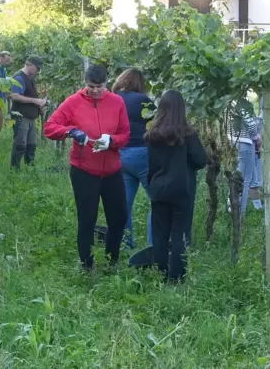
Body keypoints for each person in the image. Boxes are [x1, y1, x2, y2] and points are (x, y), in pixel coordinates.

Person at [44, 64, 130, 270]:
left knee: (118, 218)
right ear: (85, 83)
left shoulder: (117, 102)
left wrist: (111, 141)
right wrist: (71, 131)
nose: (95, 91)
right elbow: (50, 127)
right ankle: (86, 265)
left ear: (106, 83)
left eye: (99, 86)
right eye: (91, 86)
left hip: (111, 170)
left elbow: (126, 135)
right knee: (87, 219)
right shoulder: (73, 102)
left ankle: (112, 261)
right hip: (84, 171)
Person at [145, 90, 207, 282]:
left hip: (159, 188)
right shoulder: (187, 134)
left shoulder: (152, 134)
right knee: (179, 234)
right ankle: (178, 277)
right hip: (182, 189)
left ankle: (161, 272)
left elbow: (152, 164)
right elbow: (201, 160)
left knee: (160, 233)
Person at [113, 68, 154, 249]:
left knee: (124, 204)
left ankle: (127, 244)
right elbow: (156, 124)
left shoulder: (112, 99)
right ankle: (154, 245)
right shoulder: (143, 100)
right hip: (142, 153)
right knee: (157, 201)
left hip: (120, 154)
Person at [10, 56, 47, 169]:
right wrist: (35, 101)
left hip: (30, 116)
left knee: (32, 144)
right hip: (21, 116)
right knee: (20, 144)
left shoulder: (30, 77)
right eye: (37, 68)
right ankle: (15, 170)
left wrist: (40, 105)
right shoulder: (19, 77)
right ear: (30, 64)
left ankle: (30, 168)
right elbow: (14, 96)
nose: (38, 71)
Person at [229, 109, 263, 218]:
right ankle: (240, 214)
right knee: (245, 180)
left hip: (232, 141)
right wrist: (258, 140)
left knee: (235, 177)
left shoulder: (229, 102)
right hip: (245, 143)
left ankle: (231, 207)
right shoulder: (241, 104)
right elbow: (251, 124)